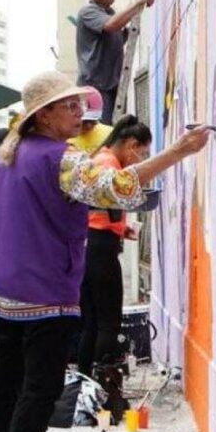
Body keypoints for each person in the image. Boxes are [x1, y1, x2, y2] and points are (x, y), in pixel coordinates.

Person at [0, 72, 209, 432]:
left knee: (2, 390)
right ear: (42, 115)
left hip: (5, 291)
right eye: (68, 106)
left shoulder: (8, 154)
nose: (79, 113)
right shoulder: (58, 158)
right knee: (38, 394)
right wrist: (178, 151)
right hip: (45, 296)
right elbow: (118, 188)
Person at [78, 115, 152, 377]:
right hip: (100, 249)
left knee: (91, 322)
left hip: (91, 244)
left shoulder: (101, 158)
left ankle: (85, 381)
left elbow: (100, 209)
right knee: (109, 320)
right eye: (141, 152)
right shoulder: (109, 164)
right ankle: (104, 385)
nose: (140, 159)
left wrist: (122, 227)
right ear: (131, 144)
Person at [76, 0, 157, 124]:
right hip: (96, 87)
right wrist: (139, 2)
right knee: (101, 134)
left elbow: (113, 38)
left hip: (113, 85)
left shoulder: (110, 13)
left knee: (113, 133)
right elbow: (111, 26)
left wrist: (127, 34)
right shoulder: (88, 12)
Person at [68, 86, 112, 154]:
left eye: (93, 121)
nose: (89, 126)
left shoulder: (110, 134)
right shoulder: (63, 139)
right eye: (85, 121)